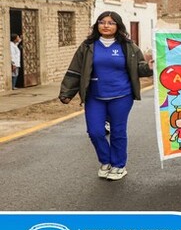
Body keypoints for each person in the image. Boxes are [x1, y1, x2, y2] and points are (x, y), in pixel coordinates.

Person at [59, 11, 154, 180]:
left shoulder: (128, 46)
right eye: (102, 22)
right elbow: (75, 70)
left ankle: (119, 165)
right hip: (94, 96)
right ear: (97, 25)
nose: (106, 25)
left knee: (118, 132)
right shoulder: (88, 46)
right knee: (95, 132)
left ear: (118, 26)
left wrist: (150, 67)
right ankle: (105, 161)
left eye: (111, 23)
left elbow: (139, 68)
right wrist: (67, 92)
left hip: (121, 96)